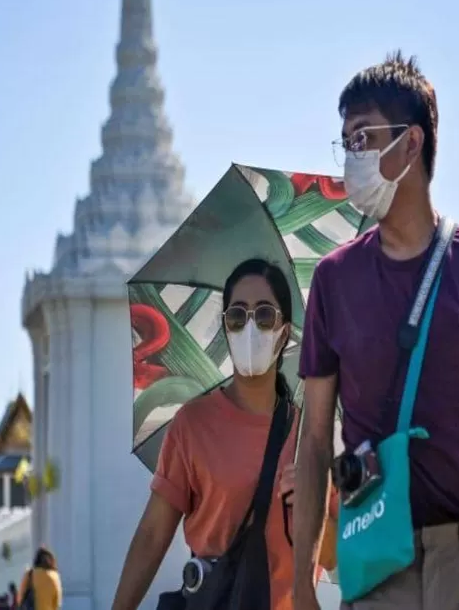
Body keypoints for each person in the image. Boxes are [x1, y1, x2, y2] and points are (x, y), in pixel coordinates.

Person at [292, 52, 459, 610]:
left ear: (411, 143)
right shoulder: (333, 279)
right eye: (345, 143)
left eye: (364, 138)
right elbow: (316, 438)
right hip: (374, 561)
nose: (352, 158)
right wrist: (301, 582)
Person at [112, 258, 336, 610]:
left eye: (265, 315)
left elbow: (336, 556)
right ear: (225, 328)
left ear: (284, 331)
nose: (250, 328)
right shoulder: (193, 424)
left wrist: (312, 505)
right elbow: (153, 535)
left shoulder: (310, 436)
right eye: (237, 316)